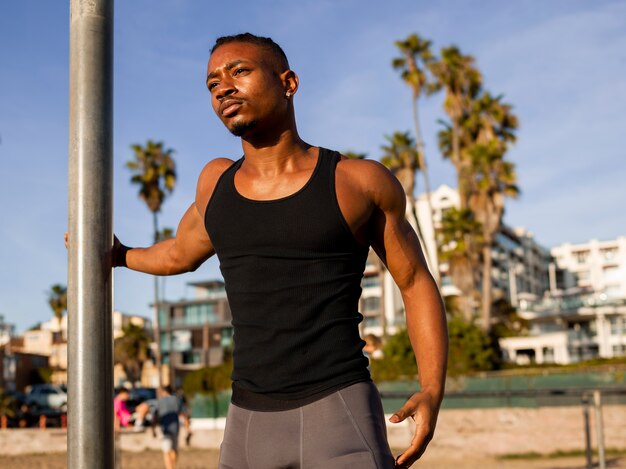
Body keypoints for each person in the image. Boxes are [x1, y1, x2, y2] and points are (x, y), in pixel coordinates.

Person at [67, 32, 447, 468]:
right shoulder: (216, 184)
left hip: (339, 413)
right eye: (212, 84)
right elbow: (178, 253)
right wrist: (119, 255)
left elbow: (415, 282)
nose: (223, 87)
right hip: (247, 423)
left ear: (289, 82)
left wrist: (432, 386)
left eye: (239, 71)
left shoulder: (356, 181)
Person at [151, 385, 190, 469]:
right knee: (174, 449)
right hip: (175, 429)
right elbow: (184, 415)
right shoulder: (177, 400)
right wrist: (188, 429)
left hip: (165, 429)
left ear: (163, 392)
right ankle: (173, 467)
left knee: (166, 451)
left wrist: (153, 429)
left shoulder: (159, 401)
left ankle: (169, 468)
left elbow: (155, 417)